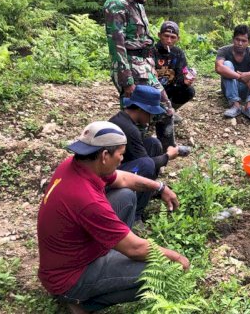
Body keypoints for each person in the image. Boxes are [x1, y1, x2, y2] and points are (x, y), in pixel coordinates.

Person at [37, 121, 190, 313]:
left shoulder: (76, 164)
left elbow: (123, 178)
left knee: (125, 195)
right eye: (121, 153)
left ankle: (110, 259)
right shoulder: (87, 200)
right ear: (104, 155)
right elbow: (135, 249)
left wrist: (160, 188)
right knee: (162, 272)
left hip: (71, 254)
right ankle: (82, 302)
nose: (122, 158)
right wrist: (176, 258)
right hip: (69, 277)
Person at [103, 0, 177, 149]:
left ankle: (166, 151)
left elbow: (142, 35)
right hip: (129, 67)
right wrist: (126, 80)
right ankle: (138, 159)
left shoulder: (138, 1)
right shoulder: (116, 4)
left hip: (144, 65)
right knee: (137, 116)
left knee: (165, 108)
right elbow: (116, 46)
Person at [108, 85, 190, 223]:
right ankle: (135, 216)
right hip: (109, 178)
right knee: (147, 165)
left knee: (153, 143)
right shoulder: (129, 129)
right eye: (150, 112)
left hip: (118, 166)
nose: (152, 117)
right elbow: (147, 164)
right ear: (141, 109)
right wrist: (168, 155)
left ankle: (144, 196)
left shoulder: (123, 119)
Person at [215, 24, 250, 120]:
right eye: (237, 39)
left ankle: (249, 106)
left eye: (244, 41)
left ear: (249, 42)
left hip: (248, 89)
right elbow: (218, 68)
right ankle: (235, 105)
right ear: (233, 39)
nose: (240, 43)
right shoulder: (224, 51)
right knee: (227, 64)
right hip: (230, 88)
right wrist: (241, 78)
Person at [154, 21, 196, 116]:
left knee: (189, 91)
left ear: (178, 39)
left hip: (169, 90)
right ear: (159, 35)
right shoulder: (151, 51)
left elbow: (180, 76)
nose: (169, 40)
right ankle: (151, 113)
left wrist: (185, 81)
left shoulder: (178, 53)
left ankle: (167, 112)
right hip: (152, 91)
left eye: (173, 37)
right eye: (166, 36)